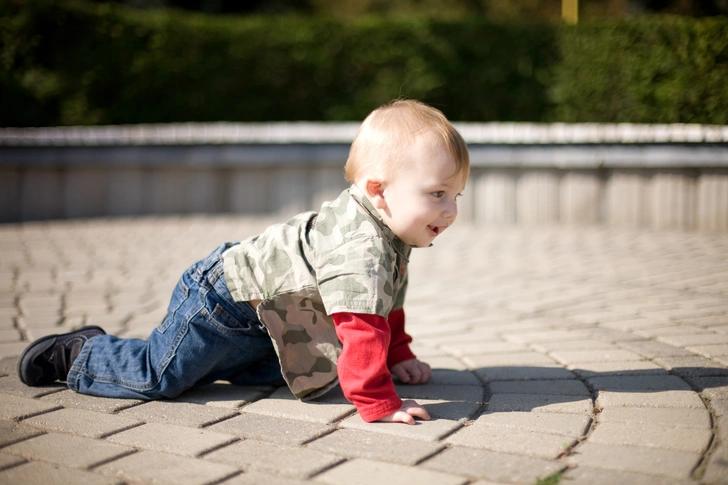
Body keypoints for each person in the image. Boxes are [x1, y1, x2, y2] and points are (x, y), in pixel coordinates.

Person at [17, 99, 470, 425]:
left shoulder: (391, 235)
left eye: (455, 196)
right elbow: (362, 324)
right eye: (437, 194)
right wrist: (379, 401)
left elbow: (386, 305)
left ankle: (230, 364)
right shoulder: (361, 246)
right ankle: (81, 352)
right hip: (221, 303)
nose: (450, 210)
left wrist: (398, 354)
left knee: (306, 371)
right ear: (378, 190)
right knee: (160, 377)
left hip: (269, 319)